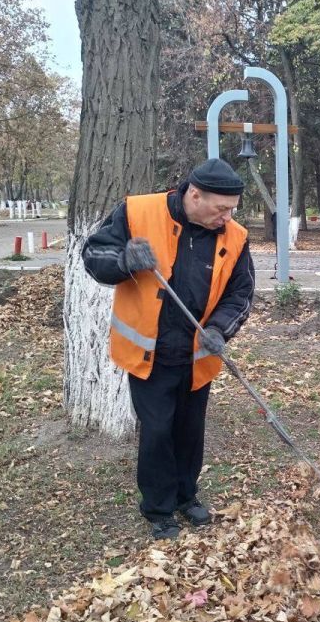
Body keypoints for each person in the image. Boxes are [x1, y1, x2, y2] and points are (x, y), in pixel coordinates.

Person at [83, 158, 256, 540]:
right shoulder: (138, 213)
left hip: (197, 357)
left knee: (190, 431)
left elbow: (241, 293)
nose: (227, 217)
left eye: (232, 209)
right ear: (194, 196)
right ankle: (159, 508)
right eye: (221, 208)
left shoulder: (235, 237)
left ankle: (185, 496)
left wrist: (220, 329)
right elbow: (93, 256)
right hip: (151, 354)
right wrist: (124, 260)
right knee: (158, 431)